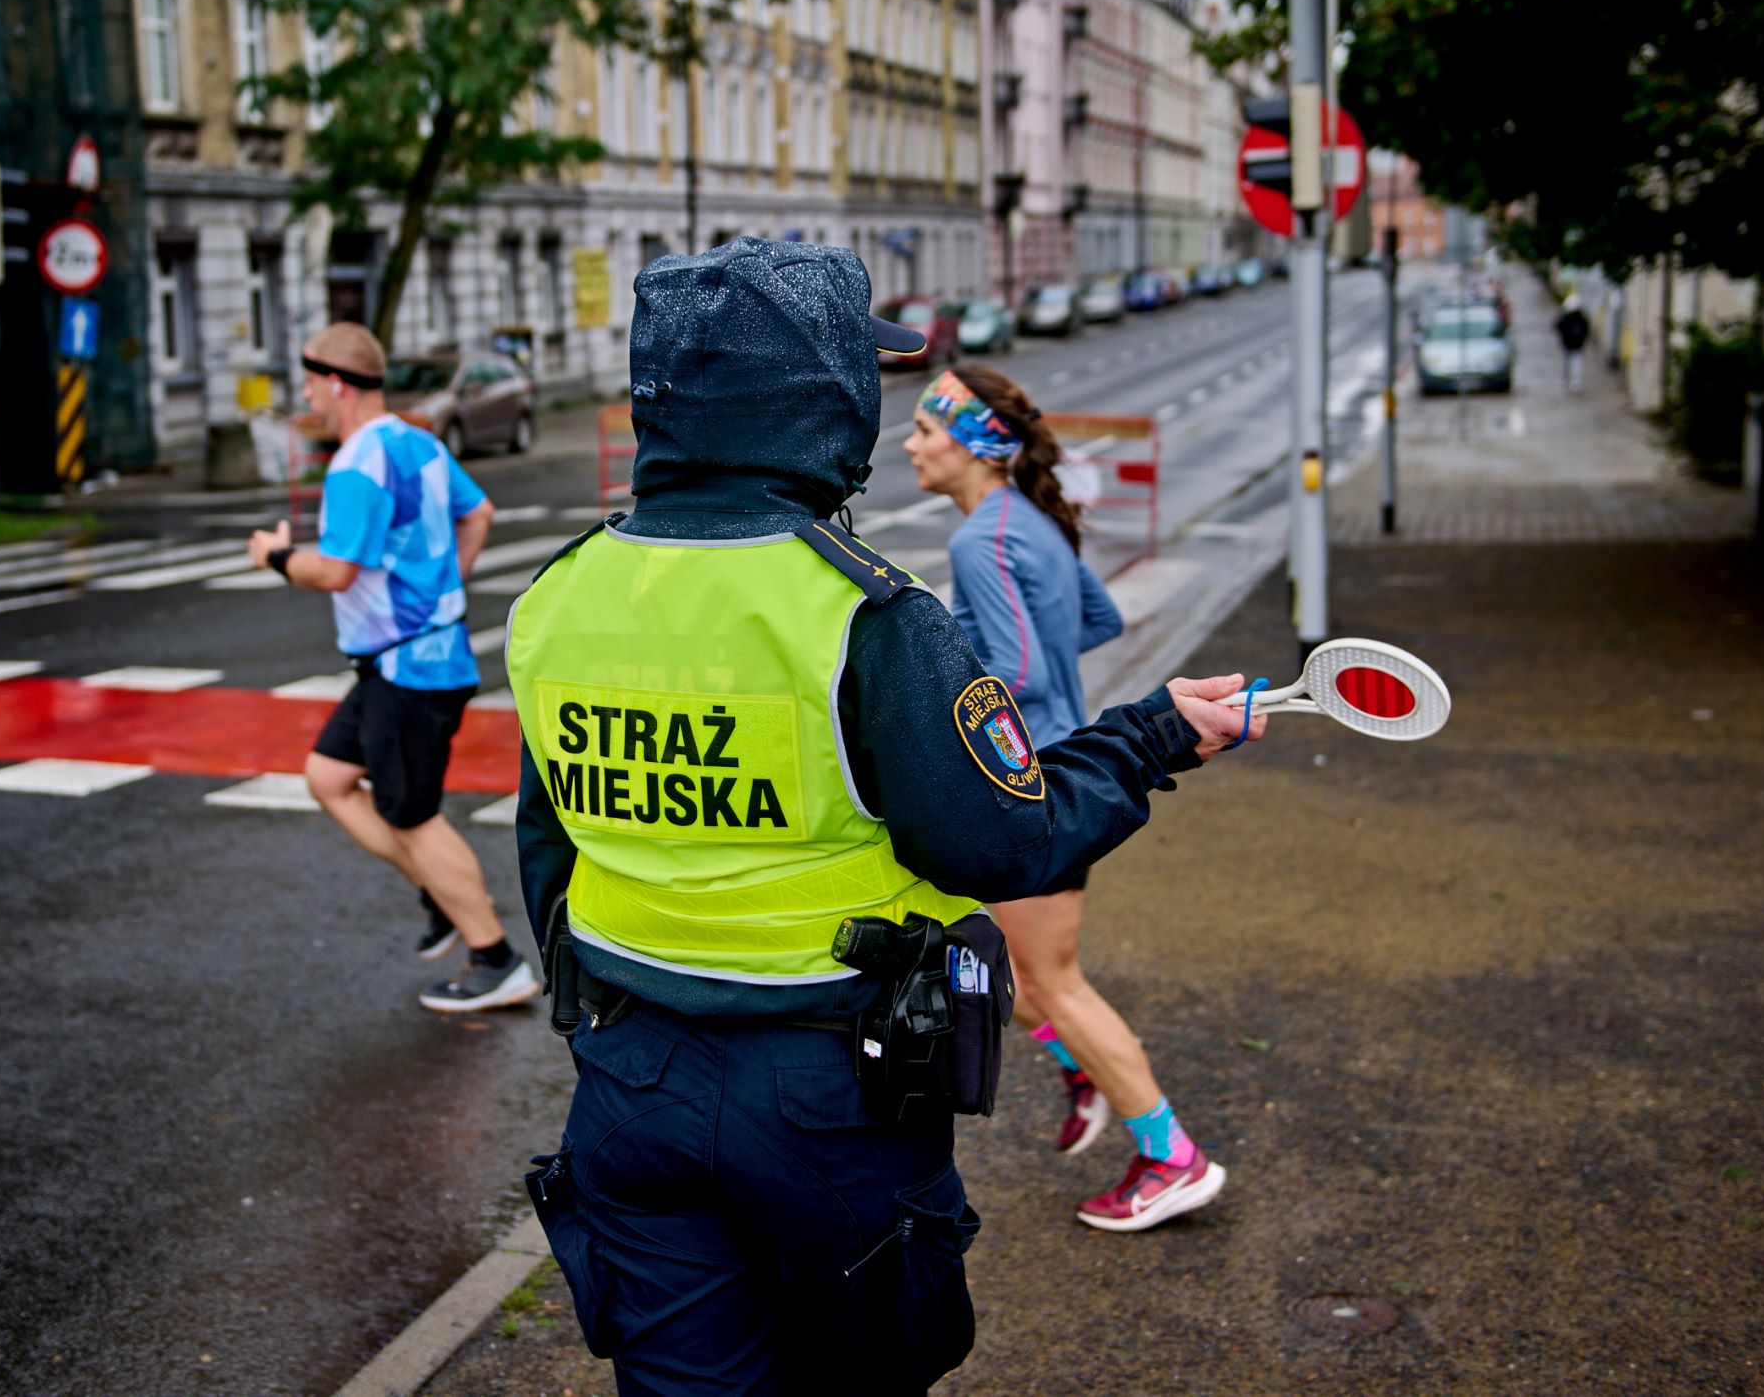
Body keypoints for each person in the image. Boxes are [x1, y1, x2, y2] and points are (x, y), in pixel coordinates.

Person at [506, 238, 1265, 1396]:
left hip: (627, 1077)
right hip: (828, 1093)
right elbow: (1004, 838)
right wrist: (1155, 734)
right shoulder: (864, 611)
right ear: (823, 399)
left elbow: (547, 850)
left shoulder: (560, 593)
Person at [905, 363, 1217, 1232]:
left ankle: (1171, 1155)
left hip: (1027, 787)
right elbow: (1098, 622)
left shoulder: (981, 539)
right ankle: (1085, 1072)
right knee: (1014, 973)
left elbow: (1016, 670)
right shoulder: (1027, 520)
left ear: (974, 445)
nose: (910, 443)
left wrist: (936, 698)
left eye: (927, 431)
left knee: (1054, 981)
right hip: (1058, 768)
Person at [245, 322, 538, 1014]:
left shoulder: (354, 461)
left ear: (336, 381)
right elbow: (480, 512)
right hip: (403, 662)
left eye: (312, 383)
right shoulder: (419, 441)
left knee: (413, 815)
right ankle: (441, 896)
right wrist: (445, 592)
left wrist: (275, 556)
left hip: (409, 669)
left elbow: (336, 570)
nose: (309, 396)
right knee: (330, 776)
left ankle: (496, 958)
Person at [1556, 296, 1592, 394]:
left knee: (1570, 363)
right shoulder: (1580, 318)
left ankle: (1569, 380)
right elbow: (1586, 330)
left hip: (1570, 345)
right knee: (1573, 364)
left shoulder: (1567, 317)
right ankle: (1570, 381)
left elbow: (1558, 326)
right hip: (1574, 345)